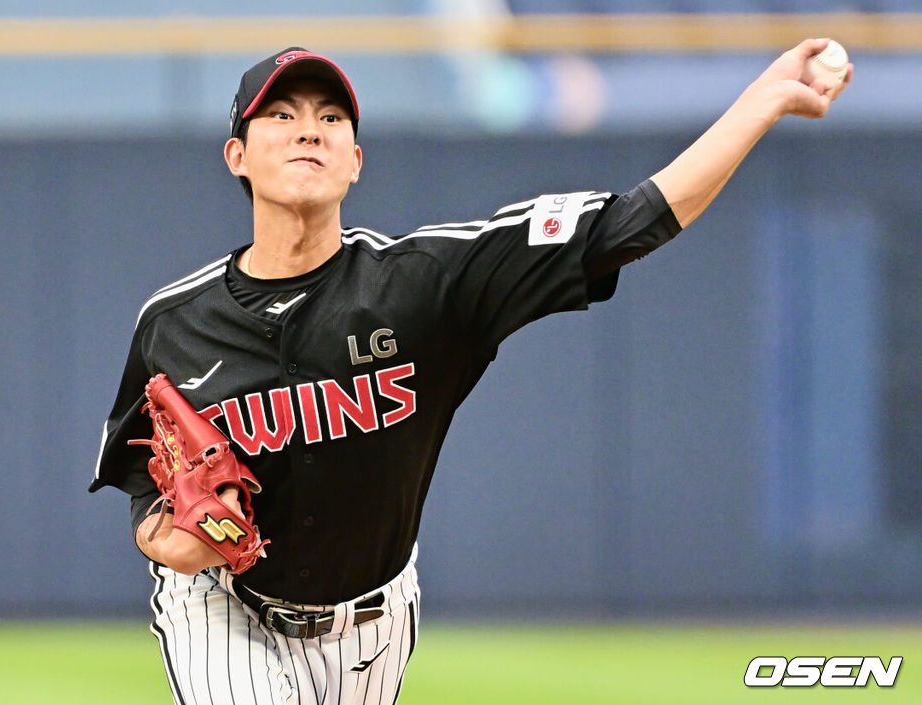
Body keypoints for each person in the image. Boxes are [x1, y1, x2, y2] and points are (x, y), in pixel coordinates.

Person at [91, 41, 851, 705]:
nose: (309, 131)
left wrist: (765, 98)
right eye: (281, 116)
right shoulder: (175, 322)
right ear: (238, 156)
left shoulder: (426, 283)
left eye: (331, 118)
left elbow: (629, 222)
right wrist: (166, 539)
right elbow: (138, 478)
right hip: (225, 605)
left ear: (355, 161)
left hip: (373, 619)